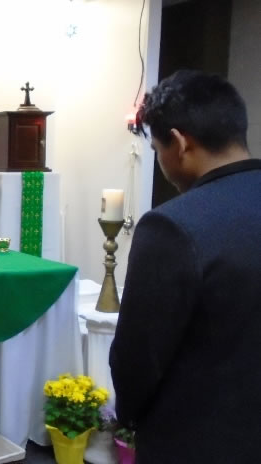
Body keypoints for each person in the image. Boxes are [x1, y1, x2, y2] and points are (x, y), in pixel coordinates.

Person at [109, 70, 260, 463]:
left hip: (200, 440)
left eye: (157, 149)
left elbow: (137, 358)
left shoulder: (173, 227)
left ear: (179, 143)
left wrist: (128, 416)